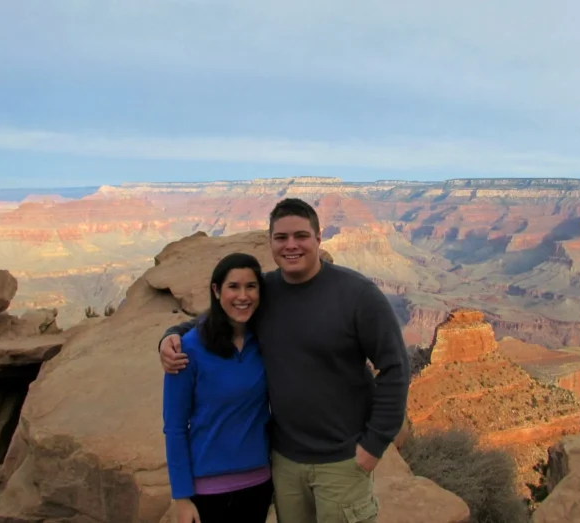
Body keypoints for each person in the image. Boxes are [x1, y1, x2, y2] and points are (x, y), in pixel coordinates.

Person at [159, 198, 411, 523]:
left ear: (319, 238)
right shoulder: (266, 292)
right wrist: (170, 335)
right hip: (284, 462)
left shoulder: (358, 295)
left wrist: (374, 444)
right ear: (271, 243)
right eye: (281, 238)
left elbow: (395, 368)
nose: (291, 245)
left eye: (301, 236)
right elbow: (222, 314)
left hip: (342, 462)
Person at [162, 252, 275, 523]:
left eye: (251, 286)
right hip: (207, 491)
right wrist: (182, 496)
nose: (243, 296)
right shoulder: (188, 348)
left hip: (259, 483)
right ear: (216, 290)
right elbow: (175, 427)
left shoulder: (263, 342)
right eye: (233, 286)